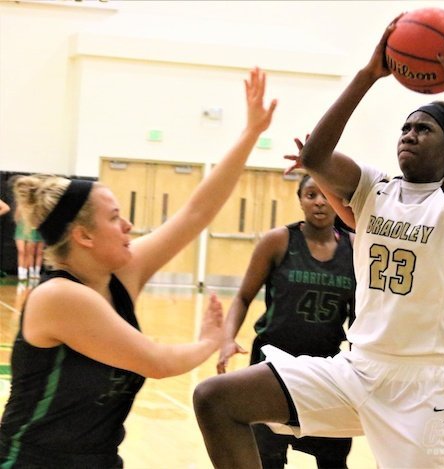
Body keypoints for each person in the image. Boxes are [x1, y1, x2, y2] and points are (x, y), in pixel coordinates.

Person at [194, 17, 444, 468]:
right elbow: (314, 156)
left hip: (425, 387)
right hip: (358, 370)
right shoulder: (375, 187)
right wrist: (369, 73)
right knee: (215, 398)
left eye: (424, 129)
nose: (409, 135)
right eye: (405, 128)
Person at [0, 67, 277, 468]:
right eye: (115, 218)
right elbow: (157, 362)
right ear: (84, 236)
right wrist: (209, 341)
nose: (129, 225)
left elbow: (196, 213)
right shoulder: (59, 297)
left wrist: (250, 134)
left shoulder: (119, 276)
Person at [216, 174, 356, 469]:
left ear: (339, 201)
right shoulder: (278, 241)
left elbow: (360, 317)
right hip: (272, 367)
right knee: (268, 458)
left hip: (325, 369)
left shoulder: (355, 248)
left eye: (326, 195)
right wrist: (227, 339)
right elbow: (243, 297)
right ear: (300, 200)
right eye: (311, 195)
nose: (319, 202)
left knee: (333, 459)